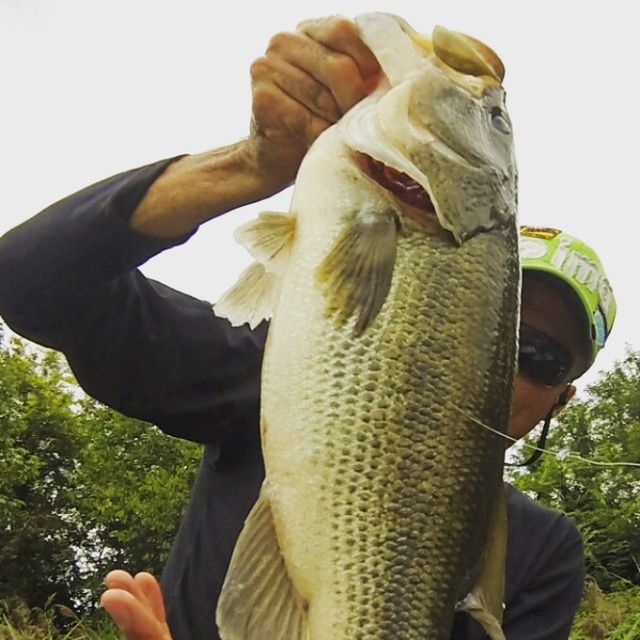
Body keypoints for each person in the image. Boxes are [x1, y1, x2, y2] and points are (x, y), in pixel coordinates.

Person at [0, 15, 616, 640]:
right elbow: (31, 283)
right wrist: (250, 164)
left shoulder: (546, 550)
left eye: (539, 354)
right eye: (501, 329)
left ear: (560, 403)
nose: (502, 357)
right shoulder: (268, 379)